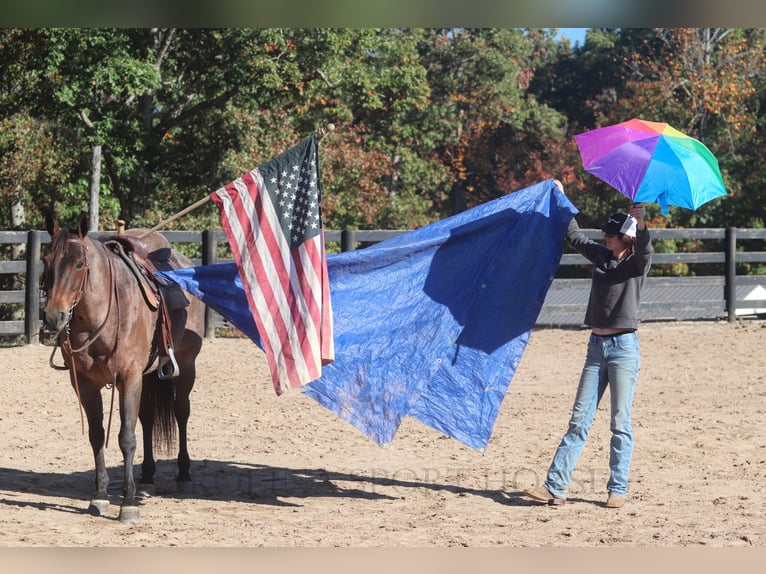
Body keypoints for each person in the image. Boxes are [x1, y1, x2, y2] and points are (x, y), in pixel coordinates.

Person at [523, 181, 653, 509]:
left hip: (624, 349)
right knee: (579, 420)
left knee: (620, 422)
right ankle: (555, 487)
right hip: (596, 347)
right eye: (606, 232)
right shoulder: (600, 255)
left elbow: (647, 249)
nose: (605, 236)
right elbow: (575, 235)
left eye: (611, 233)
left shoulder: (636, 263)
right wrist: (562, 197)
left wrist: (642, 222)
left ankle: (618, 489)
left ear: (626, 237)